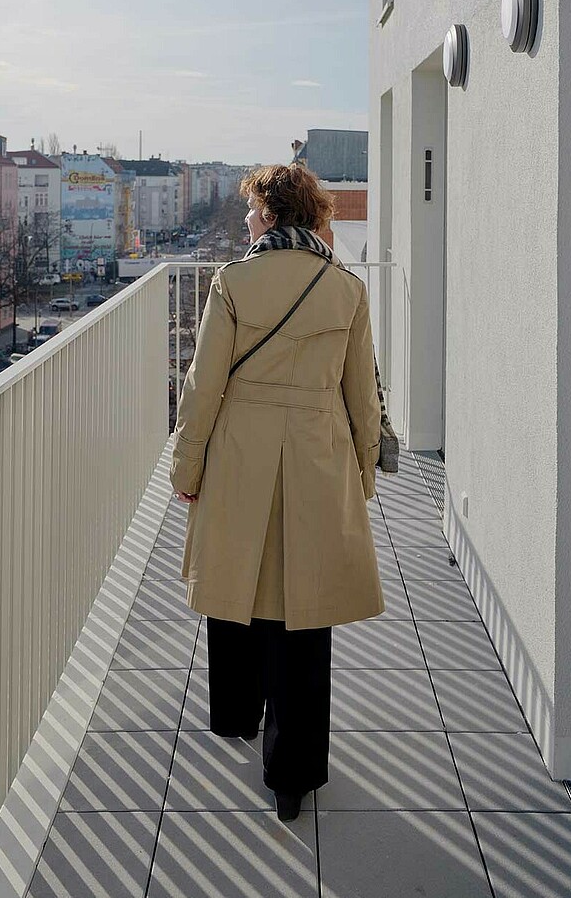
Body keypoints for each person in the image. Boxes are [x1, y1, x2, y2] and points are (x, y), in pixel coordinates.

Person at [171, 162, 382, 822]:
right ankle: (291, 775)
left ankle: (236, 714)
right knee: (303, 612)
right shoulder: (346, 289)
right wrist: (364, 476)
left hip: (240, 452)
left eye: (251, 210)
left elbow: (203, 389)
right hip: (318, 454)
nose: (244, 221)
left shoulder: (233, 281)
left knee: (239, 582)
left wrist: (187, 468)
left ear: (269, 213)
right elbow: (362, 399)